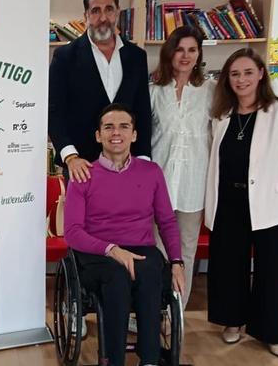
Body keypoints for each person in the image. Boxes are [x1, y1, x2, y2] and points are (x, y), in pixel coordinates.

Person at [205, 48, 278, 358]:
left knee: (272, 270)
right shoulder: (222, 115)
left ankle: (272, 332)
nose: (242, 80)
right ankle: (232, 322)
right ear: (227, 80)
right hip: (228, 201)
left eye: (248, 73)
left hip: (272, 205)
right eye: (235, 74)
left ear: (261, 74)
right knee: (228, 265)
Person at [64, 103, 185, 366]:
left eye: (123, 126)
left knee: (152, 269)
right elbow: (72, 232)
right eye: (108, 127)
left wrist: (177, 262)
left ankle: (150, 358)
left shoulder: (151, 172)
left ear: (134, 134)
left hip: (141, 247)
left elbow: (166, 220)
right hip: (97, 251)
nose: (115, 132)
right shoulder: (83, 174)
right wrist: (111, 249)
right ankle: (113, 360)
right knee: (117, 276)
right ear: (98, 135)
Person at [49, 0, 152, 184]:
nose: (103, 17)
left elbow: (143, 111)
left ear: (118, 13)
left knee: (126, 215)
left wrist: (143, 159)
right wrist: (70, 156)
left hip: (127, 164)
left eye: (109, 9)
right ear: (86, 15)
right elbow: (54, 111)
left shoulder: (137, 57)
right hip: (81, 165)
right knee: (80, 216)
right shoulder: (65, 57)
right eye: (96, 11)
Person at [149, 26, 214, 307]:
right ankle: (153, 310)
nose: (185, 56)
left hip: (193, 184)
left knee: (186, 250)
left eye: (192, 50)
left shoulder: (210, 91)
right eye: (179, 49)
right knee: (156, 249)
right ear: (170, 52)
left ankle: (177, 313)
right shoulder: (153, 91)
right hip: (157, 185)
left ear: (199, 54)